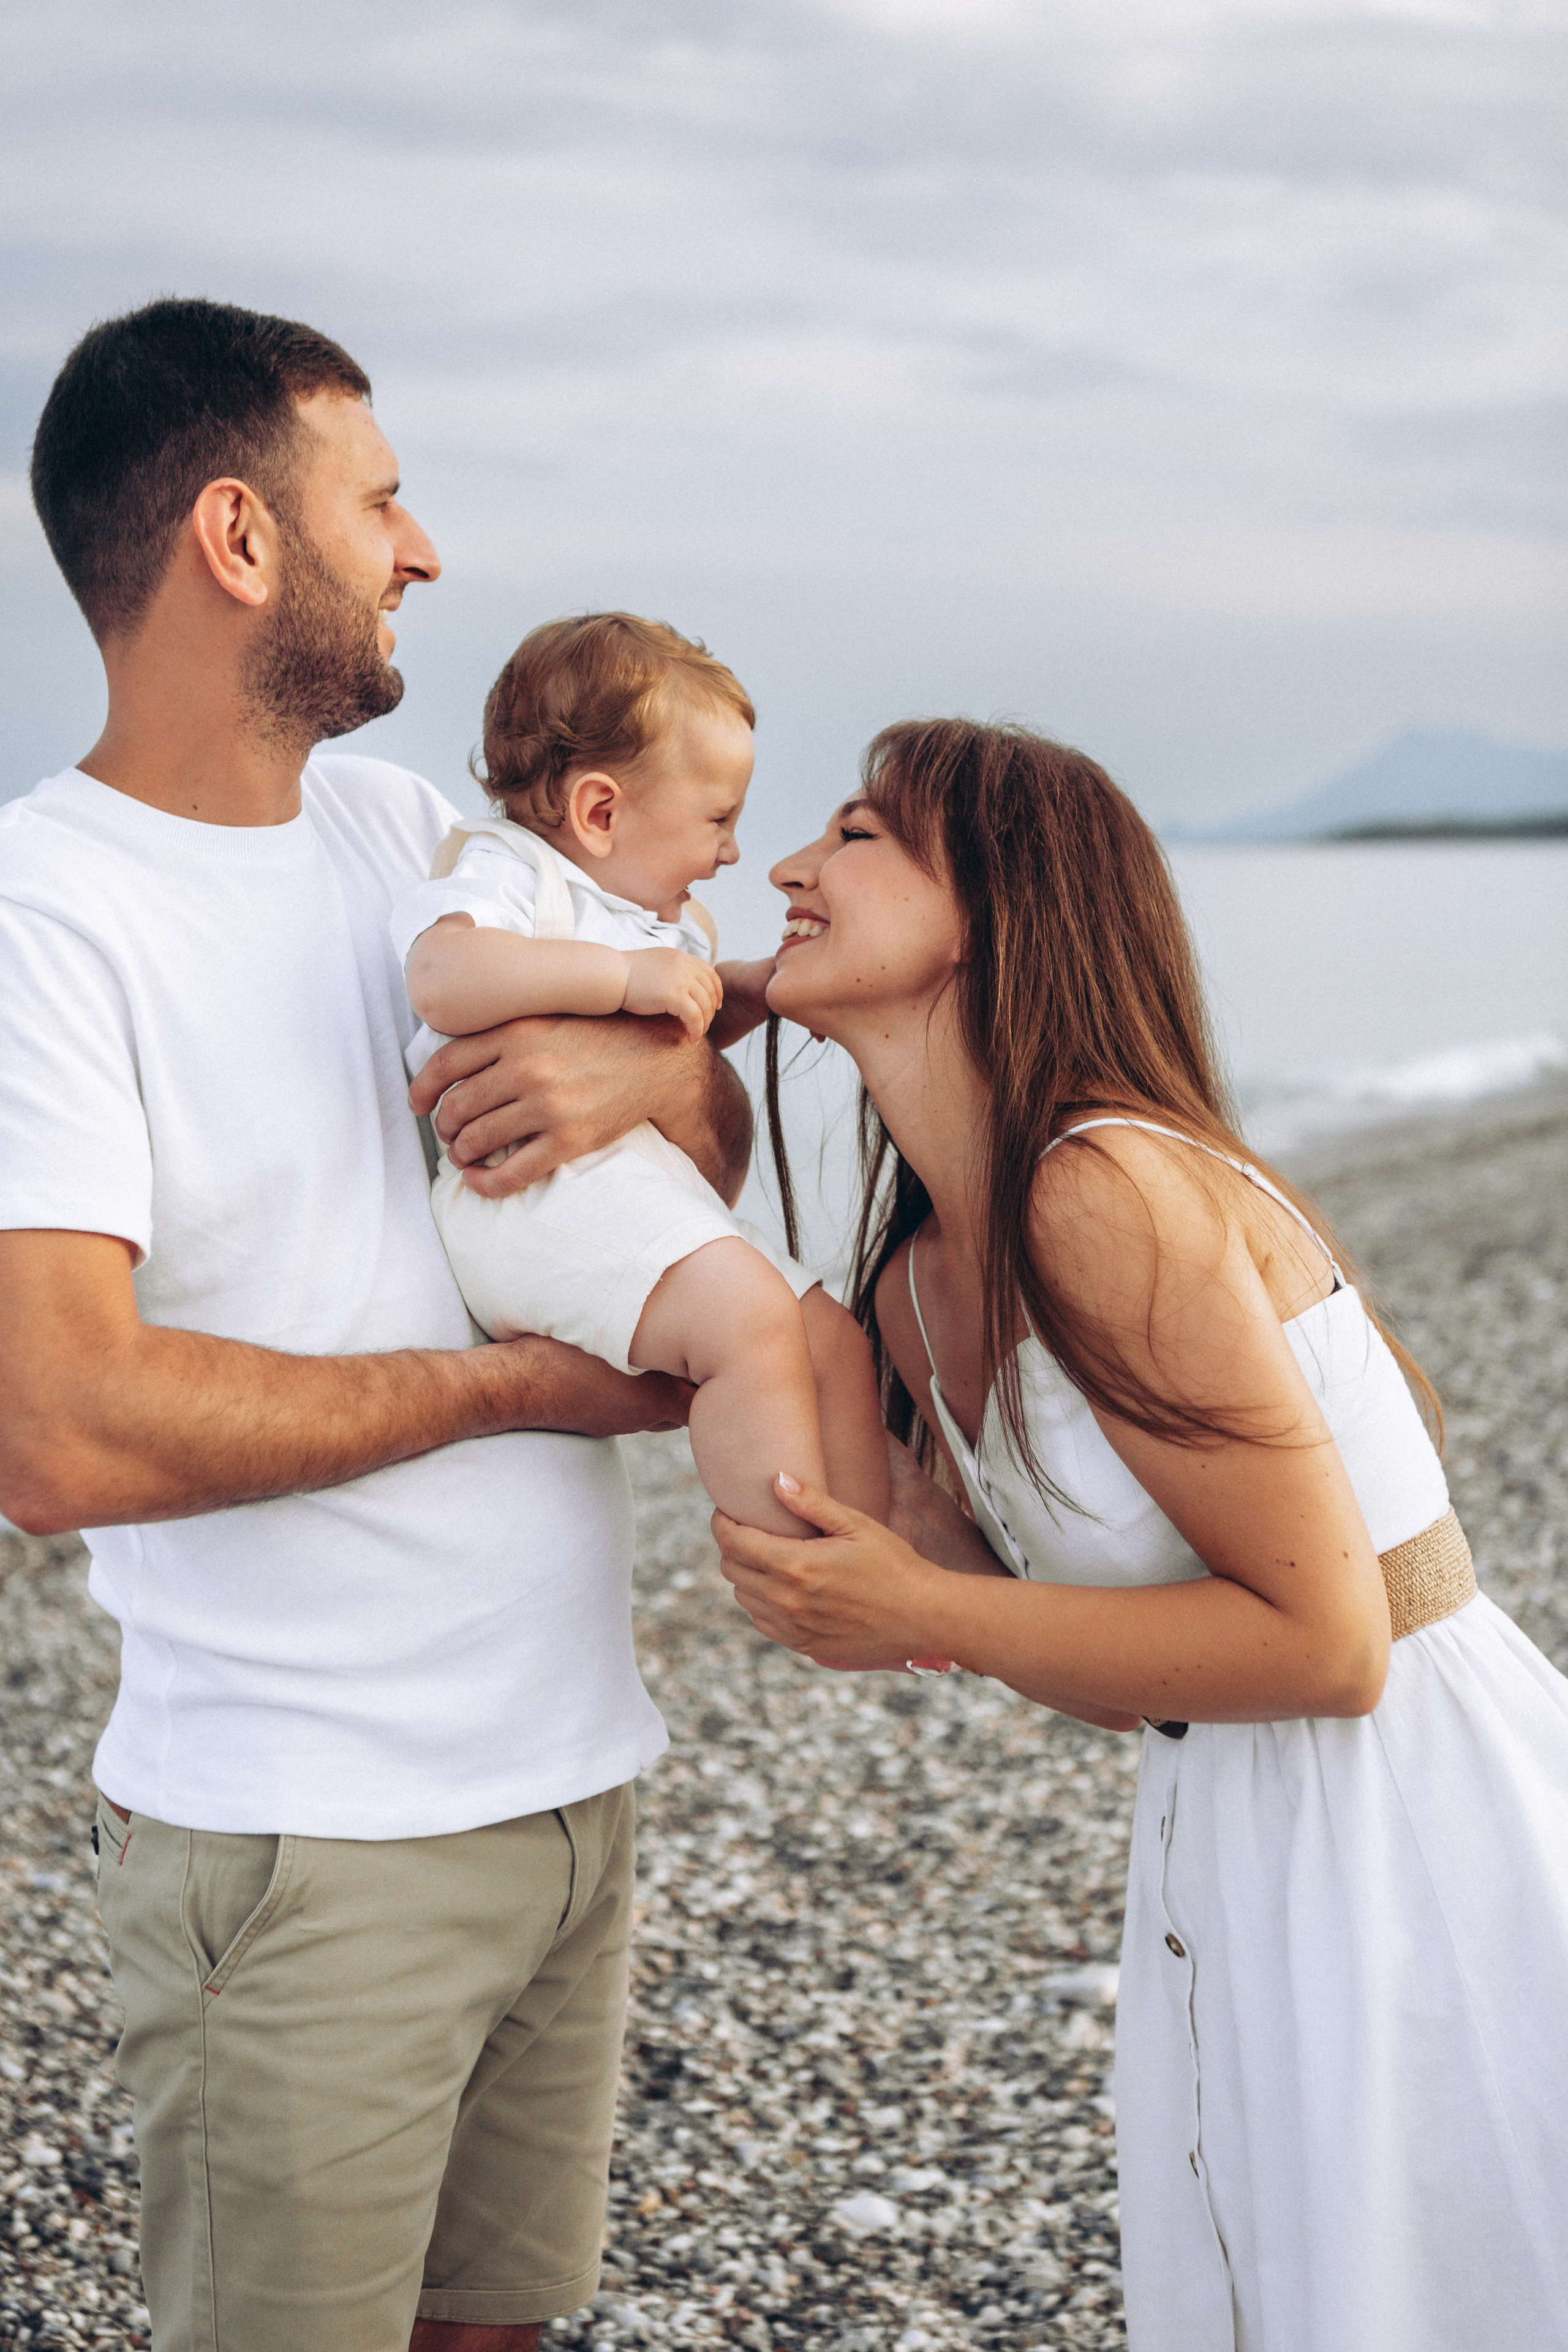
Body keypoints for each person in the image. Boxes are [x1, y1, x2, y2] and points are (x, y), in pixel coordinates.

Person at [0, 298, 755, 2352]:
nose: (423, 550)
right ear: (240, 540)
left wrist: (647, 1075)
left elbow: (701, 1131)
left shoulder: (412, 832)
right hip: (307, 1850)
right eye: (385, 498)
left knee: (496, 2331)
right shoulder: (45, 920)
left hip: (576, 1793)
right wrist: (518, 1391)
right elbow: (60, 1433)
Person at [712, 719, 1568, 2352]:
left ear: (1000, 906)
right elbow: (1128, 1684)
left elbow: (1334, 1649)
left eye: (859, 836)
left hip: (1423, 1823)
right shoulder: (913, 1280)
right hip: (1230, 1820)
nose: (787, 869)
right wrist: (885, 1580)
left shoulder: (1100, 1190)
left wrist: (927, 1604)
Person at [390, 612, 887, 1536]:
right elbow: (442, 978)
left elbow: (675, 1043)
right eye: (718, 819)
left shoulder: (662, 922)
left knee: (832, 1339)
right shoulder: (509, 871)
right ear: (601, 813)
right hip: (529, 1204)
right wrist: (622, 978)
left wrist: (750, 990)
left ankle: (880, 1549)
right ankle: (794, 1563)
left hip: (642, 1200)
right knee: (748, 1324)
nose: (734, 852)